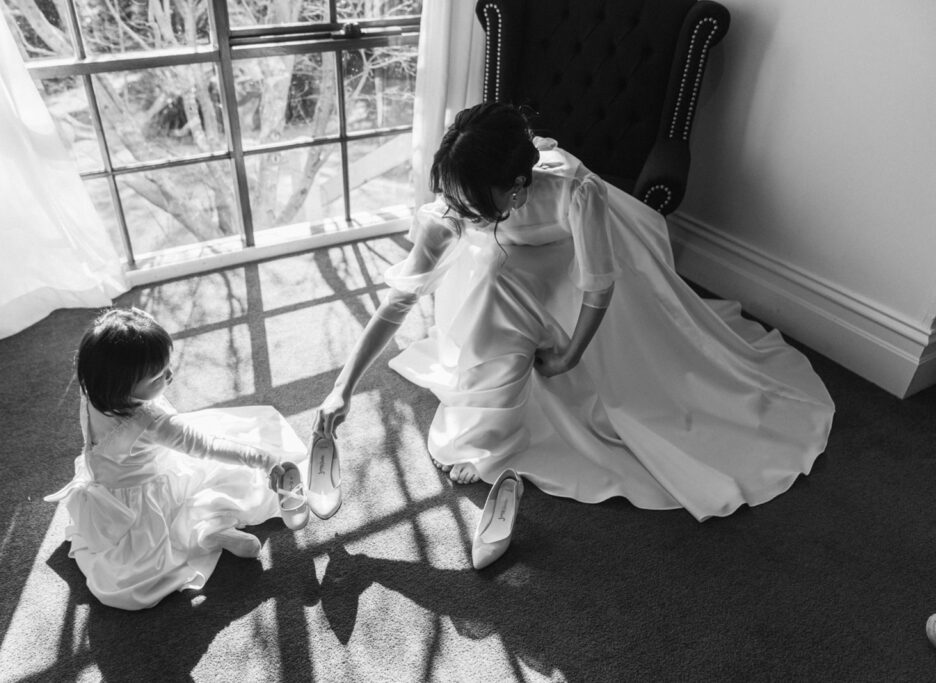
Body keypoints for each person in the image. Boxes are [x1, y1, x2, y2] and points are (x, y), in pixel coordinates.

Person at [315, 102, 834, 523]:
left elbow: (598, 288)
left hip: (582, 255)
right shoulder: (458, 204)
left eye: (474, 202)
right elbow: (399, 299)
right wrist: (343, 386)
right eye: (455, 197)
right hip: (508, 252)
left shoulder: (572, 191)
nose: (458, 210)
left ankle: (513, 411)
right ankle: (491, 422)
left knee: (512, 289)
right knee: (493, 281)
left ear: (517, 189)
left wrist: (569, 356)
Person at [45, 307, 308, 610]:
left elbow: (112, 342)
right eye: (158, 376)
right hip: (150, 500)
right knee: (216, 478)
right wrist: (265, 460)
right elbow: (208, 446)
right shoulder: (152, 421)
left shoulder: (92, 388)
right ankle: (209, 531)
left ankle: (209, 530)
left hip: (114, 493)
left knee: (190, 499)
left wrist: (137, 323)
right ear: (122, 386)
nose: (170, 374)